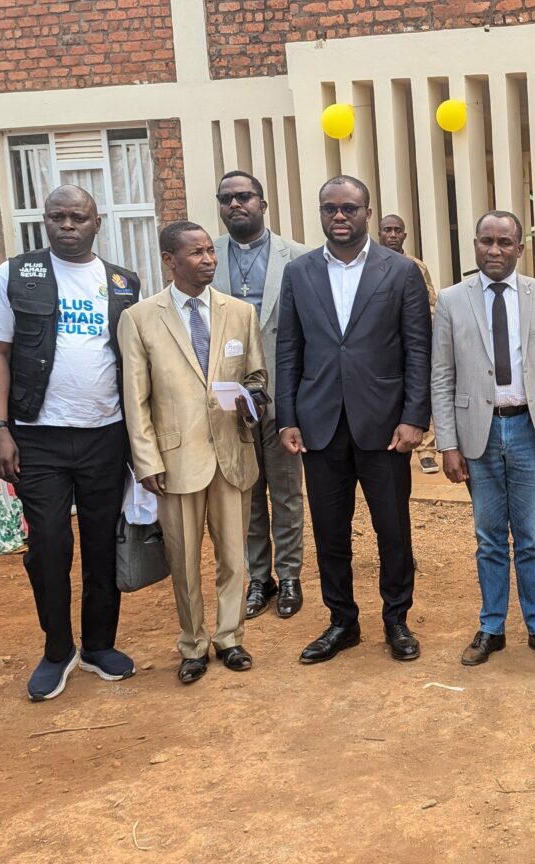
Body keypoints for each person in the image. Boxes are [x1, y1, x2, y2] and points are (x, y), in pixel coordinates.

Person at [0, 186, 142, 702]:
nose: (67, 225)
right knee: (49, 546)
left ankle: (98, 644)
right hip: (37, 436)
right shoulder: (16, 273)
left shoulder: (123, 282)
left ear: (98, 223)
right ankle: (57, 649)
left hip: (105, 433)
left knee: (101, 542)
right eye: (57, 217)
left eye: (78, 217)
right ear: (43, 222)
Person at [278, 177, 431, 665]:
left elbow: (417, 349)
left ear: (367, 212)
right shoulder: (299, 272)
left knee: (392, 528)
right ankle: (342, 621)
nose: (339, 216)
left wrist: (414, 417)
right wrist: (287, 417)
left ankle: (396, 620)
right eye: (329, 208)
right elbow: (288, 349)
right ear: (321, 214)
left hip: (384, 425)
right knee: (329, 531)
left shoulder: (400, 271)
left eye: (349, 208)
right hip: (320, 423)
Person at [120, 221, 266, 684]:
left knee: (232, 556)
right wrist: (147, 461)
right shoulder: (141, 318)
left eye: (210, 251)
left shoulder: (239, 312)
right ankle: (193, 643)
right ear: (169, 260)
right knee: (183, 561)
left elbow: (258, 379)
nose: (207, 259)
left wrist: (250, 401)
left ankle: (230, 638)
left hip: (232, 453)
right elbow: (135, 398)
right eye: (196, 252)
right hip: (175, 460)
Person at [432, 211, 535, 668]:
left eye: (504, 242)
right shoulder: (451, 300)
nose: (494, 250)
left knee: (530, 536)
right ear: (474, 244)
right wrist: (447, 444)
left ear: (520, 248)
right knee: (489, 537)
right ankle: (491, 627)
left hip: (531, 428)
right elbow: (442, 375)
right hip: (478, 433)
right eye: (486, 241)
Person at [210, 171, 309, 622]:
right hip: (230, 399)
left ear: (263, 204)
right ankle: (260, 578)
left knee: (287, 491)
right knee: (244, 492)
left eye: (244, 196)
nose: (236, 205)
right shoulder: (205, 255)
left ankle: (290, 576)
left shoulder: (300, 258)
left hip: (283, 395)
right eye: (227, 198)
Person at [379, 213, 443, 476]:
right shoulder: (370, 264)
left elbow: (430, 303)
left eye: (397, 230)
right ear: (379, 233)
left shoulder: (417, 266)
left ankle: (426, 451)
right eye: (387, 230)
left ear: (404, 235)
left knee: (421, 389)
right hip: (382, 344)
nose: (393, 235)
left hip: (413, 340)